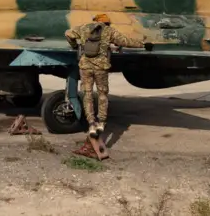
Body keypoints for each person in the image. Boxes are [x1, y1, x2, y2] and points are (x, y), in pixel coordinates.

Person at [64, 13, 153, 156]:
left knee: (87, 94)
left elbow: (68, 34)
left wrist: (75, 45)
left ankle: (91, 123)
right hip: (101, 68)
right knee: (102, 95)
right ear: (107, 23)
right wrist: (143, 44)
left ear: (95, 21)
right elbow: (125, 41)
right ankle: (102, 123)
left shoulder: (84, 28)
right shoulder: (109, 31)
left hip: (85, 66)